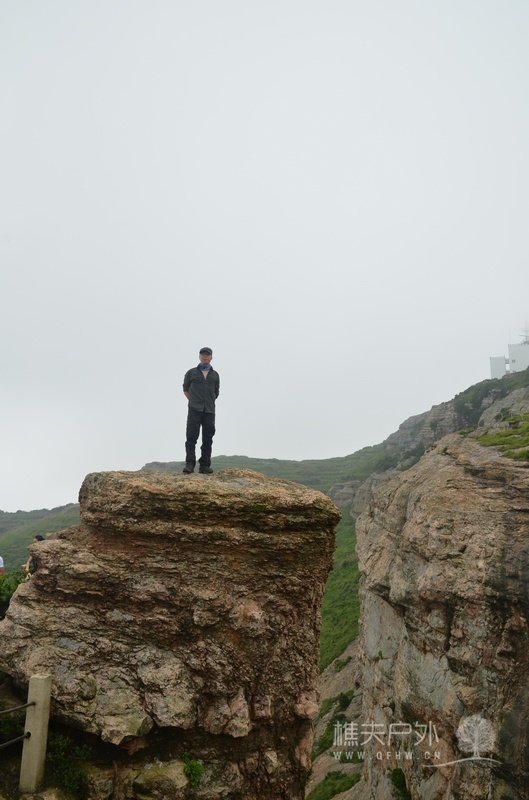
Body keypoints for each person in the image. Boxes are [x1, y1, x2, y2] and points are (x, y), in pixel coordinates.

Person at [182, 347, 220, 474]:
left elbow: (216, 392)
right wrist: (194, 401)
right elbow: (185, 389)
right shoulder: (191, 373)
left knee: (208, 438)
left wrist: (208, 401)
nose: (205, 357)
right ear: (199, 356)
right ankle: (189, 464)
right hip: (194, 409)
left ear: (211, 358)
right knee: (191, 437)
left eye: (207, 355)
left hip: (209, 411)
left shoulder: (215, 375)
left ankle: (204, 465)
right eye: (203, 355)